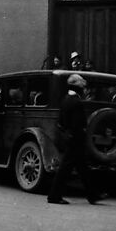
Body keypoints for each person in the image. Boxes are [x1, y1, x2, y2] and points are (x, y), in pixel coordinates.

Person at [47, 74, 101, 205]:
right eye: (82, 86)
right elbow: (78, 124)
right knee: (67, 169)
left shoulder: (65, 99)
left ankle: (92, 195)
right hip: (76, 139)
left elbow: (60, 122)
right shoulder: (77, 102)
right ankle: (54, 196)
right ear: (78, 88)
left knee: (82, 167)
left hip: (69, 137)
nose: (84, 89)